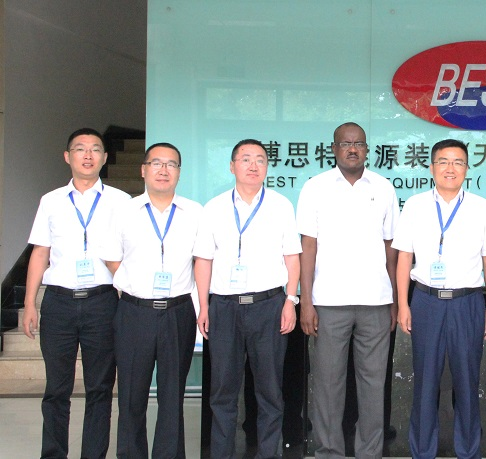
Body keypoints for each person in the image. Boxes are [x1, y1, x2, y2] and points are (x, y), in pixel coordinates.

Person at [21, 127, 131, 459]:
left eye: (95, 149)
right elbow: (40, 252)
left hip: (103, 302)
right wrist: (30, 303)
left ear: (105, 158)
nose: (88, 155)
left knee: (100, 389)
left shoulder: (121, 201)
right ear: (67, 157)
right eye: (80, 149)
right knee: (56, 389)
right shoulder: (51, 200)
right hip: (59, 302)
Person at [393, 139, 486, 459]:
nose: (450, 168)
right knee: (425, 381)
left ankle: (468, 451)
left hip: (467, 303)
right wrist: (403, 304)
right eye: (443, 161)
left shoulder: (481, 207)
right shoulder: (415, 206)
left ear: (467, 169)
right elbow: (404, 258)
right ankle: (422, 451)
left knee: (467, 382)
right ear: (431, 168)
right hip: (425, 301)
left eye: (458, 162)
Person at [296, 122, 399, 459]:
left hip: (376, 302)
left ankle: (370, 452)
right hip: (329, 302)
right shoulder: (315, 187)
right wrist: (306, 301)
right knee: (328, 384)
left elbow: (391, 248)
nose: (352, 149)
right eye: (345, 143)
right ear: (334, 148)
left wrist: (395, 300)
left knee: (373, 385)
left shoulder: (383, 188)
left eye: (359, 143)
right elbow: (307, 247)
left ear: (367, 149)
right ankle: (328, 452)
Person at [193, 138, 301, 459]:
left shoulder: (281, 205)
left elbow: (292, 257)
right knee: (223, 392)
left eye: (260, 160)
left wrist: (290, 301)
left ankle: (268, 454)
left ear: (267, 167)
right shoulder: (214, 208)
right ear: (232, 166)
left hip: (269, 306)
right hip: (224, 307)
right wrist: (203, 306)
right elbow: (204, 259)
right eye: (245, 159)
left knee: (270, 391)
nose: (253, 166)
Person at [100, 142, 201, 458]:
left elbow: (202, 261)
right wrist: (133, 284)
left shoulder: (195, 213)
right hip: (134, 311)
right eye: (156, 163)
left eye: (171, 164)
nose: (163, 170)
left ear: (179, 173)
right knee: (131, 395)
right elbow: (111, 257)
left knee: (173, 396)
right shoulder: (124, 211)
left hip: (178, 311)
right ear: (143, 170)